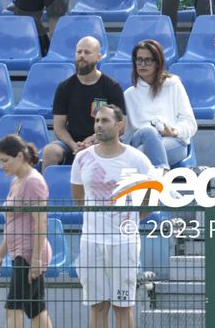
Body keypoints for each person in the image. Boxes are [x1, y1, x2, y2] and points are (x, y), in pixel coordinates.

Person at [70, 105, 155, 328]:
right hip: (91, 241)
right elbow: (78, 197)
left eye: (105, 120)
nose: (99, 125)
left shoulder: (138, 160)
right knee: (97, 306)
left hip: (124, 243)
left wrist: (129, 221)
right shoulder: (82, 159)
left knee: (123, 305)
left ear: (120, 126)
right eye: (97, 120)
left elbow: (151, 200)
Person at [0, 134, 54, 328]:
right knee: (36, 309)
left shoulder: (33, 182)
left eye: (5, 160)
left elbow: (41, 222)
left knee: (13, 308)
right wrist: (0, 256)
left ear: (19, 156)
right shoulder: (17, 181)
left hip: (28, 253)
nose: (2, 165)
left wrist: (35, 260)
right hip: (20, 252)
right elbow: (12, 225)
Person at [41, 35, 126, 170]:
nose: (82, 56)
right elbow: (59, 126)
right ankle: (45, 190)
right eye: (79, 52)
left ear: (98, 57)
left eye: (87, 52)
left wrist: (93, 139)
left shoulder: (111, 87)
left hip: (102, 139)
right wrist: (74, 145)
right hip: (72, 143)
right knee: (50, 152)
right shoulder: (64, 87)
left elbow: (120, 126)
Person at [123, 39, 196, 169]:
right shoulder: (129, 94)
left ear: (157, 63)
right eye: (139, 60)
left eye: (148, 60)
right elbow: (125, 134)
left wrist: (173, 131)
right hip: (140, 139)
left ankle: (157, 173)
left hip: (173, 141)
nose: (142, 64)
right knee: (149, 131)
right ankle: (162, 173)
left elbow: (190, 124)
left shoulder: (173, 85)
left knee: (139, 155)